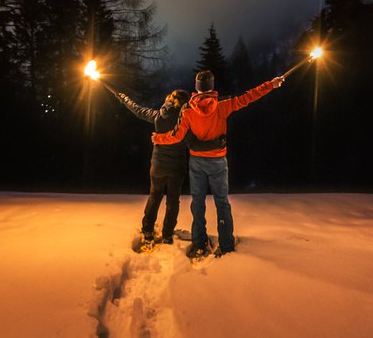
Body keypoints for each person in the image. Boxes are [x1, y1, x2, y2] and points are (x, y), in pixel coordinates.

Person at [151, 69, 284, 258]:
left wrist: (158, 138)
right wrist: (270, 85)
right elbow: (248, 97)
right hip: (217, 161)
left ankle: (199, 242)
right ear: (211, 86)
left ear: (197, 88)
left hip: (197, 162)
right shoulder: (222, 104)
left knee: (198, 202)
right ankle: (226, 244)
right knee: (222, 202)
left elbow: (177, 136)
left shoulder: (187, 110)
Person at [115, 88, 192, 245]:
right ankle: (167, 234)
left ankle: (148, 231)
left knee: (155, 196)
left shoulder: (158, 116)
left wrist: (124, 98)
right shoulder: (186, 121)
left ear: (170, 100)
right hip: (177, 168)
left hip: (158, 166)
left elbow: (137, 109)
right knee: (173, 201)